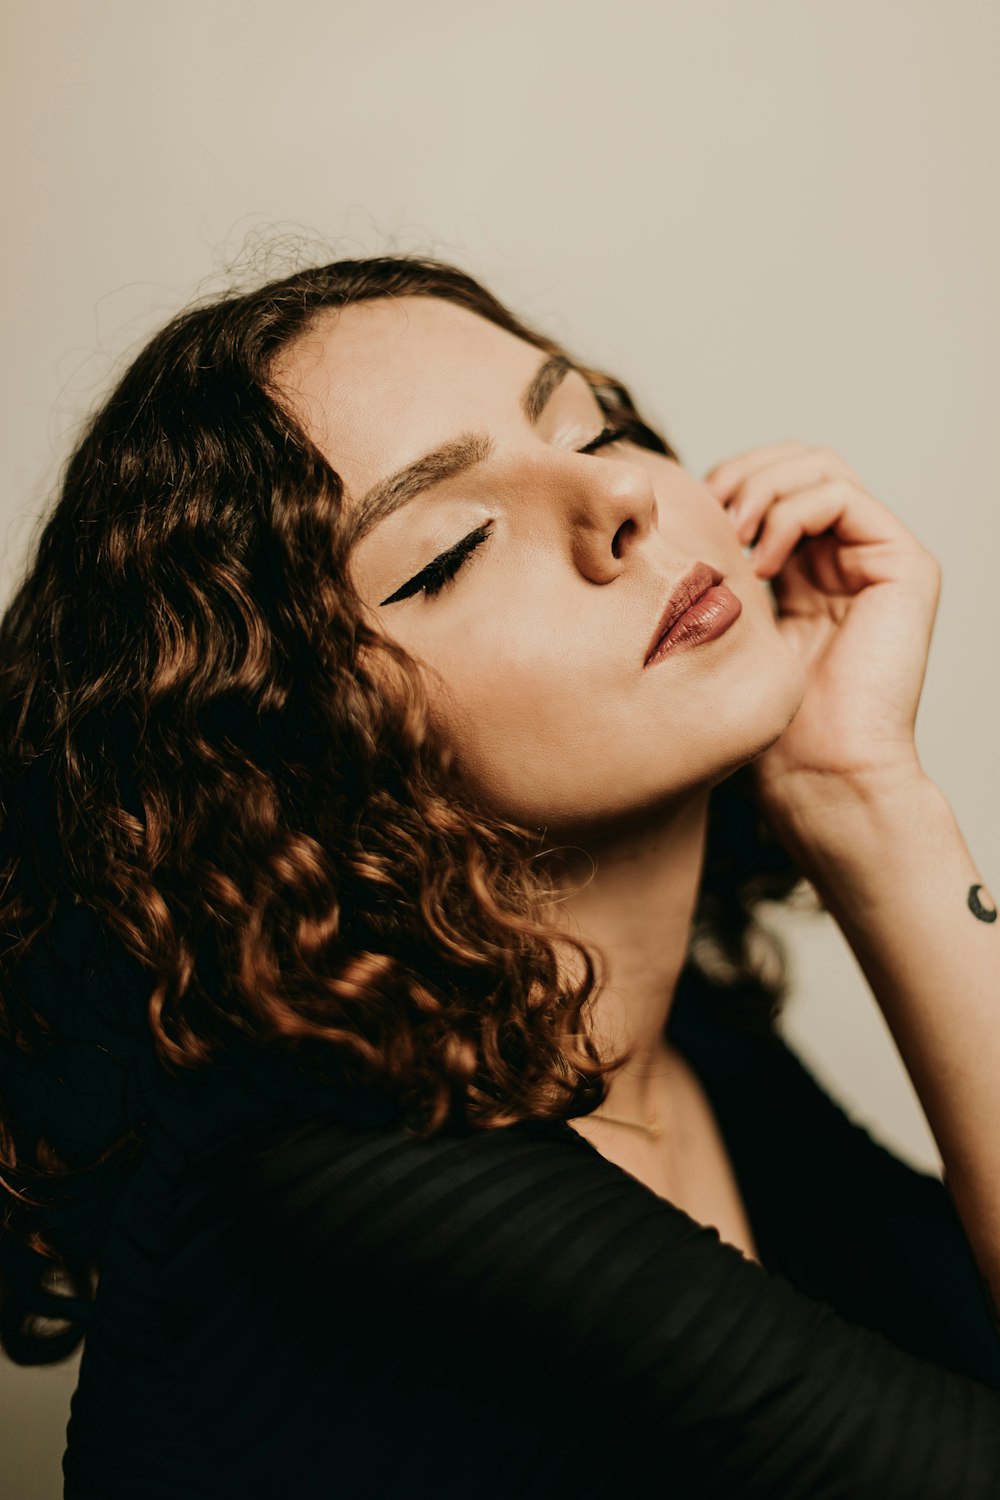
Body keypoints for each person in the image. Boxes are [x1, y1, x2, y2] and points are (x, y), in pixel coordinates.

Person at [0, 253, 998, 1498]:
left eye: (594, 425)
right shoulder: (352, 1193)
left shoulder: (679, 1045)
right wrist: (878, 820)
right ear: (297, 758)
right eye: (451, 551)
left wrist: (861, 797)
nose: (616, 497)